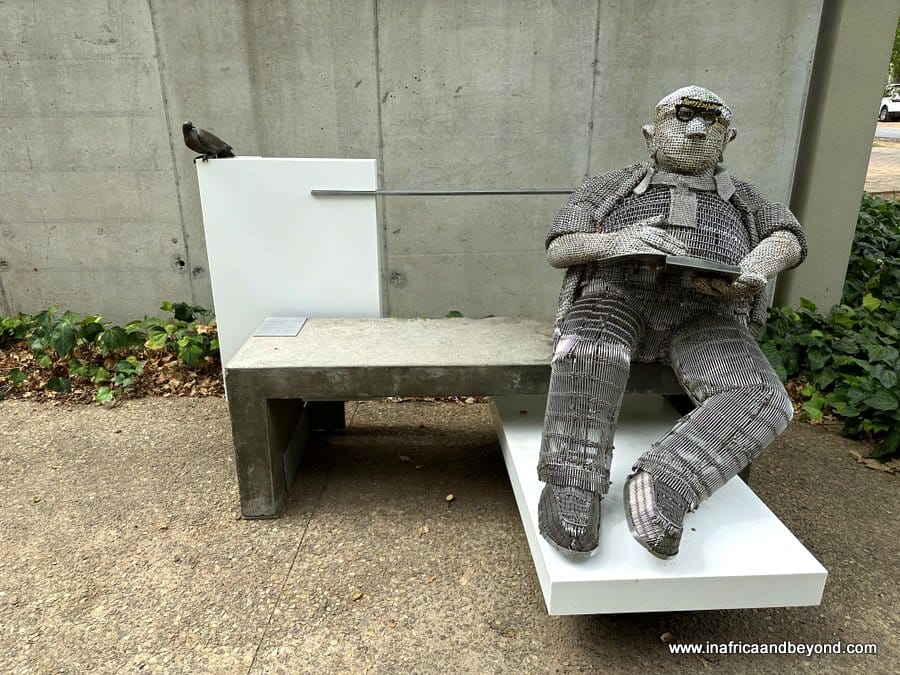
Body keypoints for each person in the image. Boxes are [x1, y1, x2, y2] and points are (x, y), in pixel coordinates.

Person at [537, 85, 807, 559]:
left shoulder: (742, 197)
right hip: (615, 297)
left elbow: (787, 235)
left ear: (729, 138)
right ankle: (573, 480)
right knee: (590, 351)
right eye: (681, 119)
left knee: (763, 397)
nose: (697, 130)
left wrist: (758, 266)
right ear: (651, 134)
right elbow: (561, 246)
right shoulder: (612, 186)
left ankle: (668, 479)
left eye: (712, 123)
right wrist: (619, 241)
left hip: (707, 312)